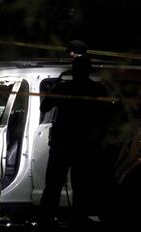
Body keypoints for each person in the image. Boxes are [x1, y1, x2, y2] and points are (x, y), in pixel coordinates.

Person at [39, 53, 111, 227]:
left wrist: (54, 89)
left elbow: (44, 106)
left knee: (54, 182)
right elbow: (107, 116)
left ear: (74, 70)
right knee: (82, 183)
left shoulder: (63, 88)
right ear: (88, 70)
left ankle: (47, 218)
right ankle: (79, 216)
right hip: (85, 143)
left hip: (63, 142)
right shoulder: (97, 90)